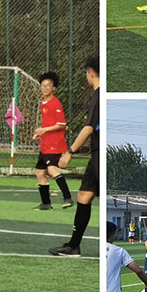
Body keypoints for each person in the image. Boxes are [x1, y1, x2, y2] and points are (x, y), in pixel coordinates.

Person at [49, 56, 99, 256]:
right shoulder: (97, 95)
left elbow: (88, 128)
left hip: (100, 154)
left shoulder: (99, 94)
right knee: (84, 196)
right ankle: (73, 246)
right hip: (95, 154)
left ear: (91, 73)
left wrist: (69, 152)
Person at [32, 72, 72, 210]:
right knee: (39, 172)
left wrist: (44, 130)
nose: (45, 88)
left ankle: (68, 197)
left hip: (54, 143)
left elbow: (61, 124)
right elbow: (48, 123)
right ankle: (46, 203)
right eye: (43, 85)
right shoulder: (43, 102)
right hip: (46, 143)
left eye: (48, 85)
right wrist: (40, 133)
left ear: (54, 88)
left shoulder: (55, 103)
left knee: (52, 169)